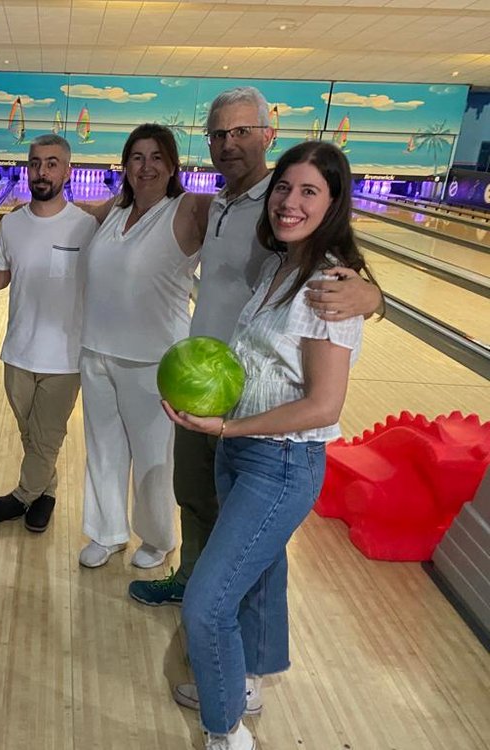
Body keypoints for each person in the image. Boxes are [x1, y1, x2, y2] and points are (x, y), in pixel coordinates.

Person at [129, 87, 382, 605]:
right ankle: (192, 581)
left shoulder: (287, 206)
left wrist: (374, 295)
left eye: (242, 131)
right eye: (219, 134)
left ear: (269, 135)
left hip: (250, 395)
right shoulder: (220, 202)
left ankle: (222, 613)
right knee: (194, 495)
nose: (229, 144)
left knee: (240, 523)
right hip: (199, 378)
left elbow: (342, 268)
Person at [166, 141, 377, 750]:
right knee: (261, 577)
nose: (289, 201)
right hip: (248, 452)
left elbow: (323, 406)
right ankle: (242, 685)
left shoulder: (329, 285)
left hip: (281, 462)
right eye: (284, 187)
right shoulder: (282, 265)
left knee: (206, 606)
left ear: (335, 203)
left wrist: (227, 428)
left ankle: (226, 732)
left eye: (310, 191)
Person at [78, 124, 213, 569]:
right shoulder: (116, 209)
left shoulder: (189, 208)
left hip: (153, 360)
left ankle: (157, 538)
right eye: (137, 157)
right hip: (96, 350)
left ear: (173, 164)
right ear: (125, 165)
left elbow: (250, 216)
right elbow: (66, 214)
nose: (147, 166)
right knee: (102, 448)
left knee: (154, 456)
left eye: (157, 156)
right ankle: (107, 532)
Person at [0, 134, 101, 533]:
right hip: (18, 350)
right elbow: (1, 275)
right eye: (35, 163)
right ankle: (47, 491)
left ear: (67, 170)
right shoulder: (11, 224)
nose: (41, 171)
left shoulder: (86, 227)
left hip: (65, 356)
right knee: (32, 436)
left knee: (46, 438)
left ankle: (22, 496)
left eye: (51, 163)